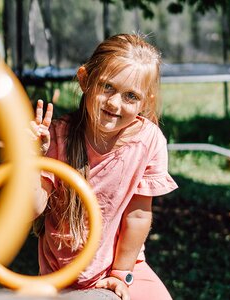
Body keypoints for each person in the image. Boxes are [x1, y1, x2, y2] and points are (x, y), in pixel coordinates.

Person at [29, 33, 178, 300]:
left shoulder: (148, 141)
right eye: (107, 87)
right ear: (85, 79)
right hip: (61, 276)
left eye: (130, 96)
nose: (114, 103)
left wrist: (121, 274)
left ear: (145, 101)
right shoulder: (58, 137)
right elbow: (31, 209)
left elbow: (138, 216)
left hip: (119, 265)